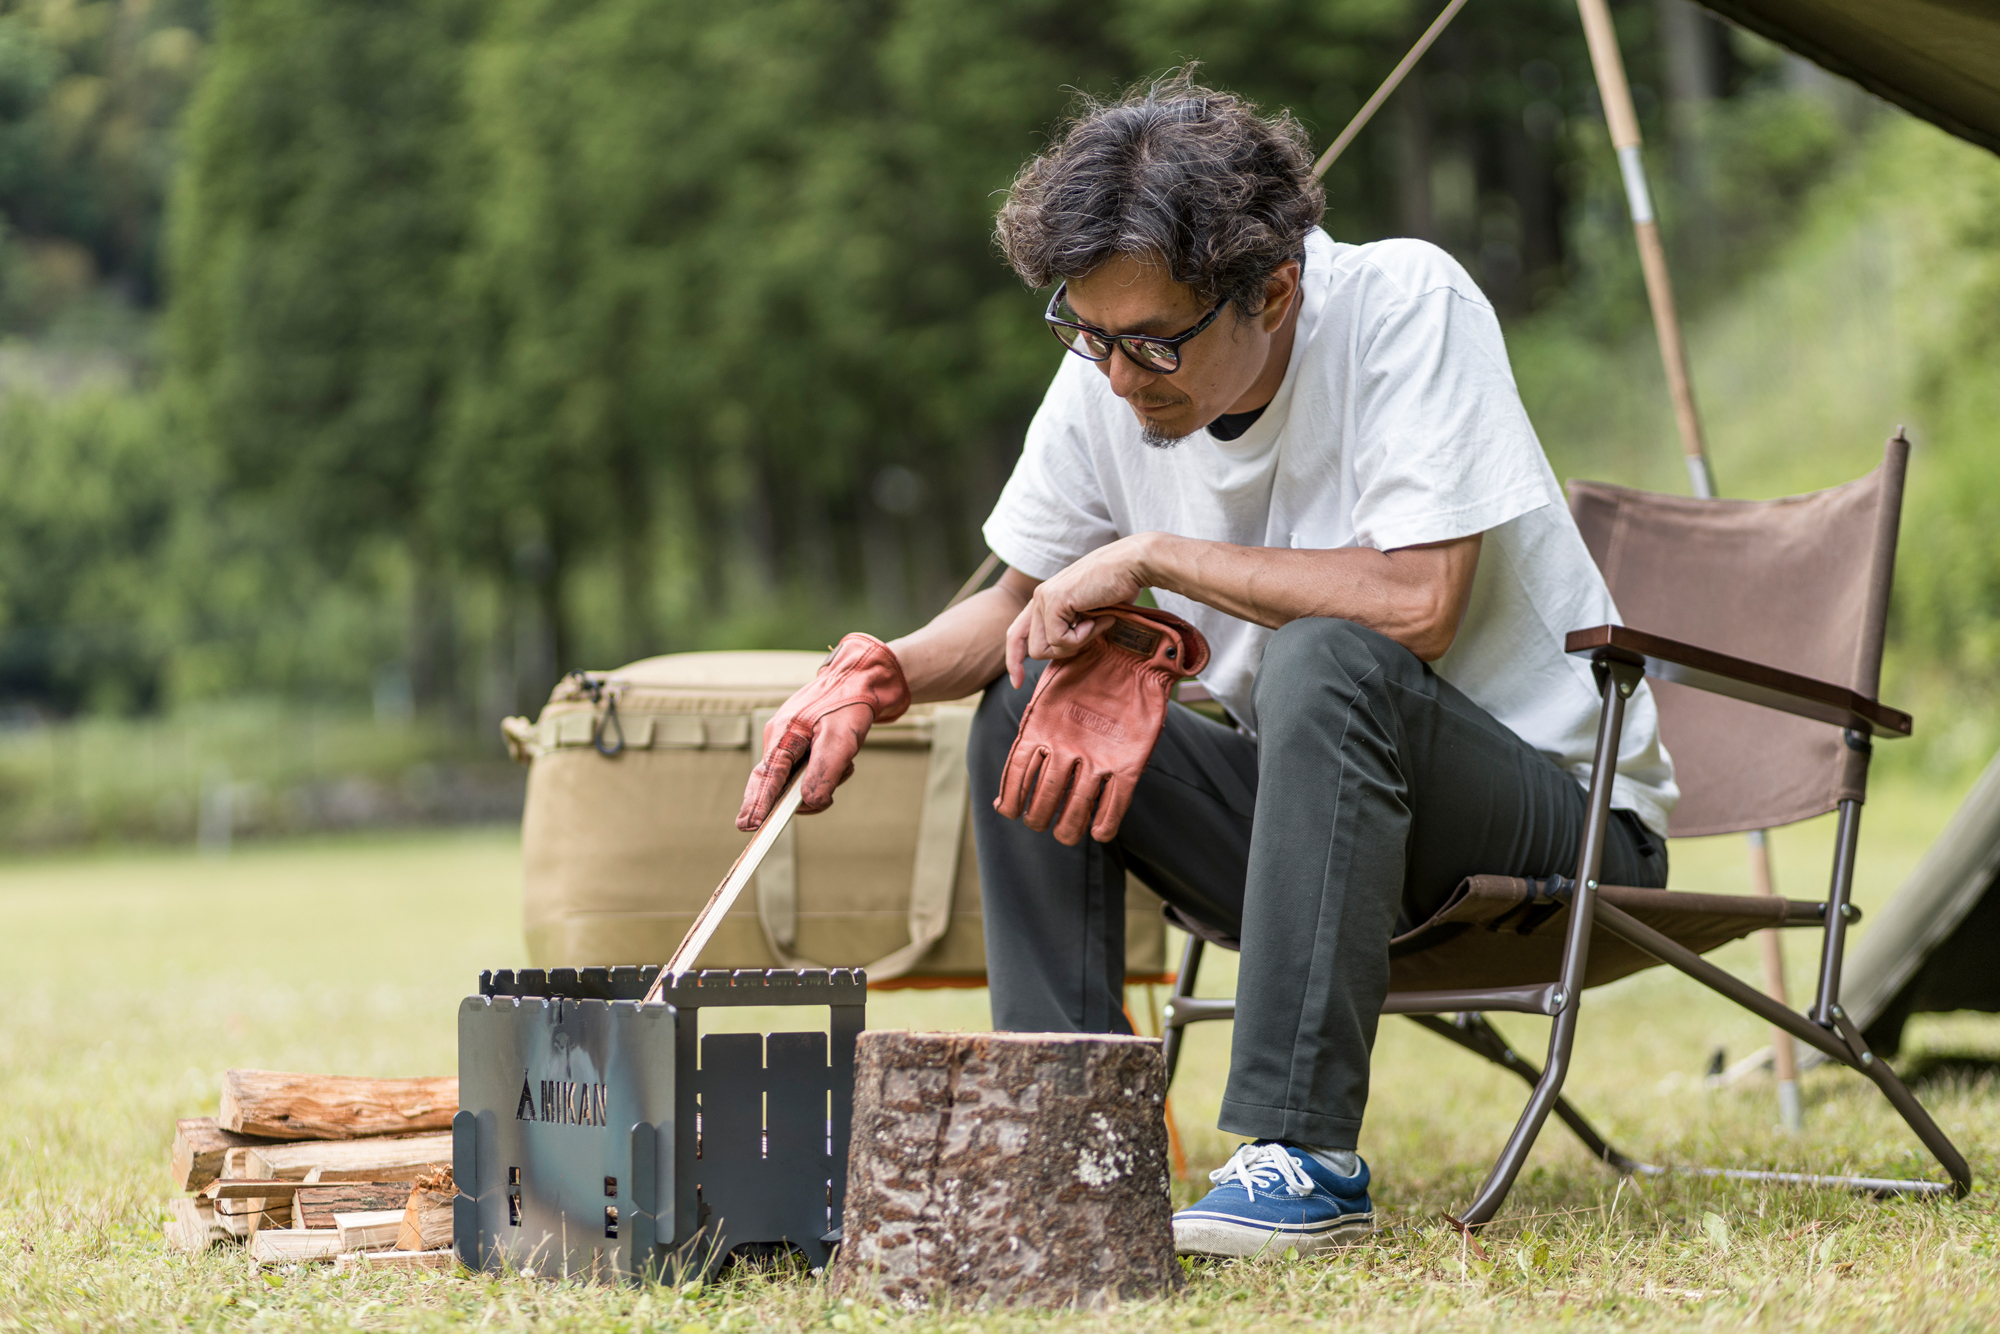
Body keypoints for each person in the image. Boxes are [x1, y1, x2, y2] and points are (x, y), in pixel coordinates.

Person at [735, 72, 1675, 1259]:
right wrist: (882, 672)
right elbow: (1019, 604)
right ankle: (1064, 1147)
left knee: (1326, 657)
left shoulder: (1404, 305)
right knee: (1027, 698)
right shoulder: (1108, 370)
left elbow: (1418, 603)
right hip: (1314, 836)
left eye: (1151, 344)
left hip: (1555, 827)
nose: (1116, 377)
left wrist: (1151, 555)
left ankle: (1302, 1154)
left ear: (1271, 290)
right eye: (1087, 334)